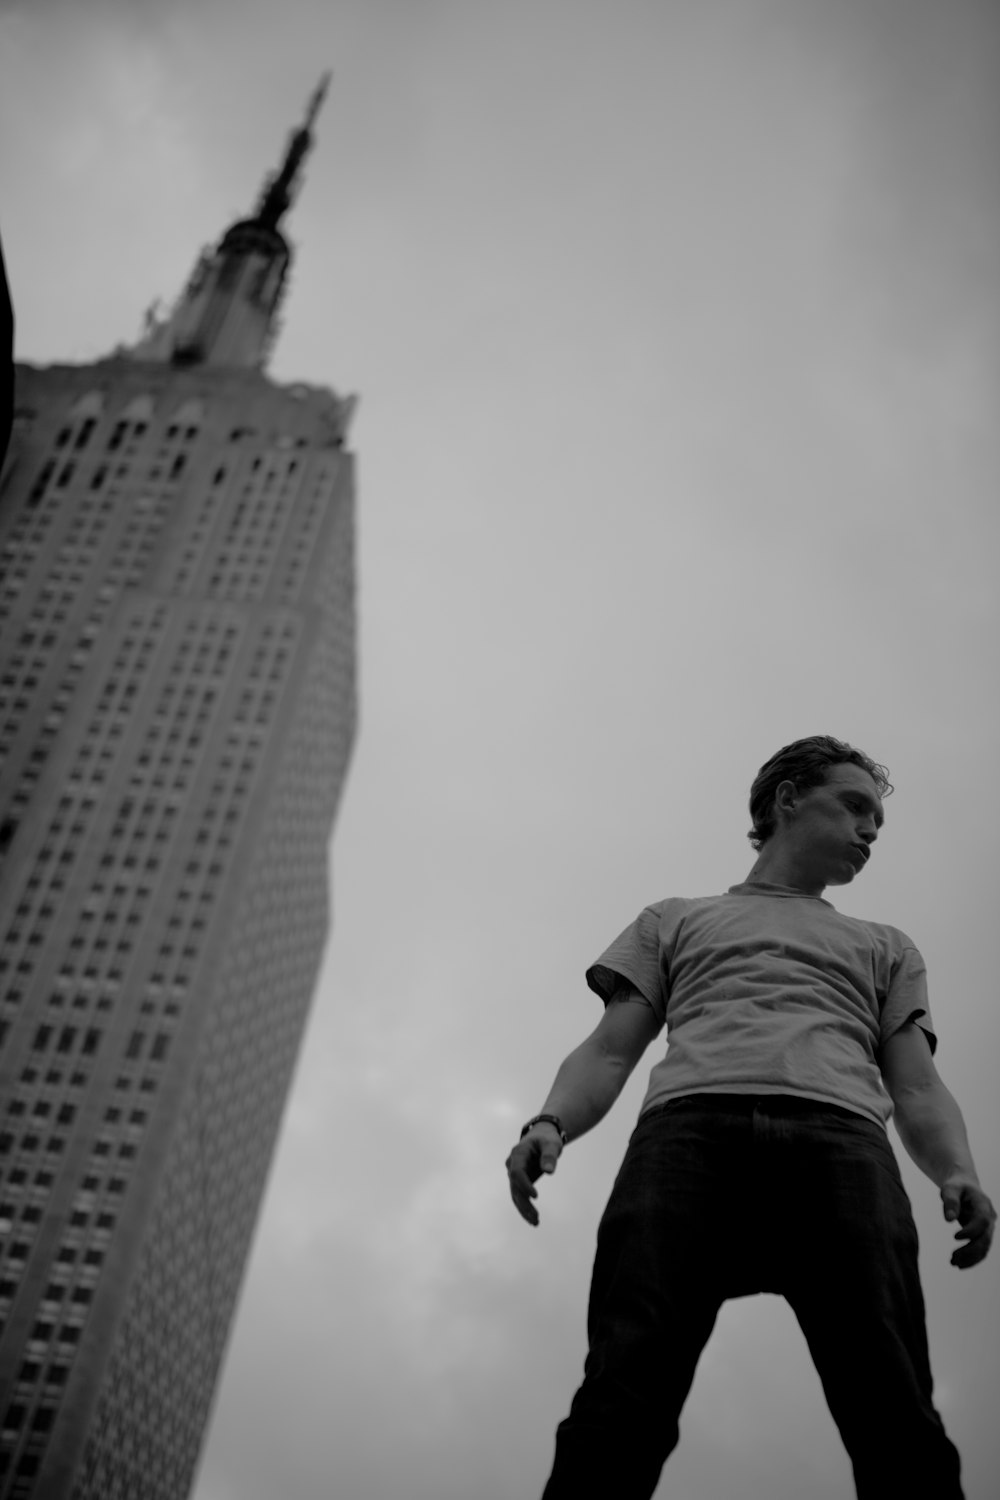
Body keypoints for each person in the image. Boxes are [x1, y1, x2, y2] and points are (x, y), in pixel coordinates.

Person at [506, 736, 995, 1500]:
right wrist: (548, 1123)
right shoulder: (675, 919)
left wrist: (958, 1170)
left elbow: (919, 1087)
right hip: (687, 1144)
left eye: (879, 821)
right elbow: (608, 1051)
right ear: (787, 799)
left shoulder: (886, 947)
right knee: (621, 1399)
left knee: (894, 1410)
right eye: (855, 806)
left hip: (843, 1151)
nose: (870, 831)